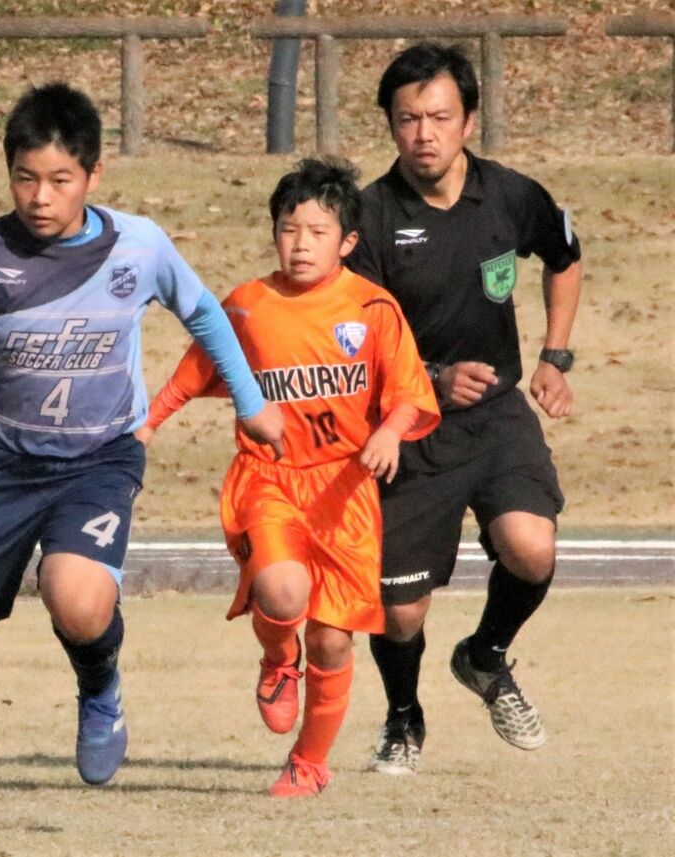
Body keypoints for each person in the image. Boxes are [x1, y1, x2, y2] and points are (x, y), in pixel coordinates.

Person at [0, 82, 284, 797]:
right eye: (26, 178)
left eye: (60, 180)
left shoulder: (138, 245)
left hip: (99, 460)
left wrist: (250, 401)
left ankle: (100, 686)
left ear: (94, 174)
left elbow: (207, 314)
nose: (40, 196)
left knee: (77, 595)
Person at [140, 157, 439, 796]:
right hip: (270, 477)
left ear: (348, 242)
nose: (301, 244)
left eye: (317, 231)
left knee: (332, 643)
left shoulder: (372, 307)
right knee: (281, 593)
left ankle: (309, 762)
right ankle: (279, 658)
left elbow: (408, 390)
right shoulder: (249, 305)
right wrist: (149, 422)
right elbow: (196, 369)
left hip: (345, 491)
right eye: (288, 229)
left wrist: (389, 431)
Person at [344, 42, 583, 774]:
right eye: (408, 118)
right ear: (390, 125)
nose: (424, 133)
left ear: (468, 119)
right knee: (401, 611)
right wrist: (433, 380)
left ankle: (484, 655)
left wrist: (555, 355)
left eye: (440, 116)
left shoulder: (511, 195)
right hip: (405, 426)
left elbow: (565, 257)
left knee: (532, 547)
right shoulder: (369, 218)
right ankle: (404, 716)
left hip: (498, 418)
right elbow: (352, 340)